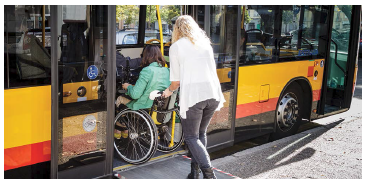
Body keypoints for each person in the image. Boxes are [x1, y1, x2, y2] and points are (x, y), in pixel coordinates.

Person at [162, 15, 225, 179]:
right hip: (212, 94)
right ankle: (194, 172)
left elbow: (176, 82)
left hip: (195, 97)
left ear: (177, 29)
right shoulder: (205, 44)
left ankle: (209, 175)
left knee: (191, 137)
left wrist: (167, 92)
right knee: (200, 134)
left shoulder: (176, 47)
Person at [114, 45, 170, 139]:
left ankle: (121, 128)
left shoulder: (146, 71)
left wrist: (128, 87)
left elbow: (135, 95)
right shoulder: (166, 70)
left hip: (144, 104)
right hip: (157, 104)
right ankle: (125, 129)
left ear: (146, 56)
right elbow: (153, 86)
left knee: (119, 99)